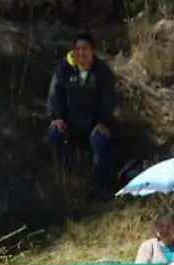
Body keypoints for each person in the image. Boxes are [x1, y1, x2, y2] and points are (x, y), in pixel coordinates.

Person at [45, 33, 119, 191]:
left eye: (85, 49)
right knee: (53, 136)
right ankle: (62, 184)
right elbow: (54, 95)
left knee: (101, 141)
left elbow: (108, 99)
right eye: (77, 49)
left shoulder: (102, 71)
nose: (81, 53)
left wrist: (103, 122)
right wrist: (56, 117)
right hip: (69, 123)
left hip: (94, 124)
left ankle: (104, 187)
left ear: (92, 51)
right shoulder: (63, 70)